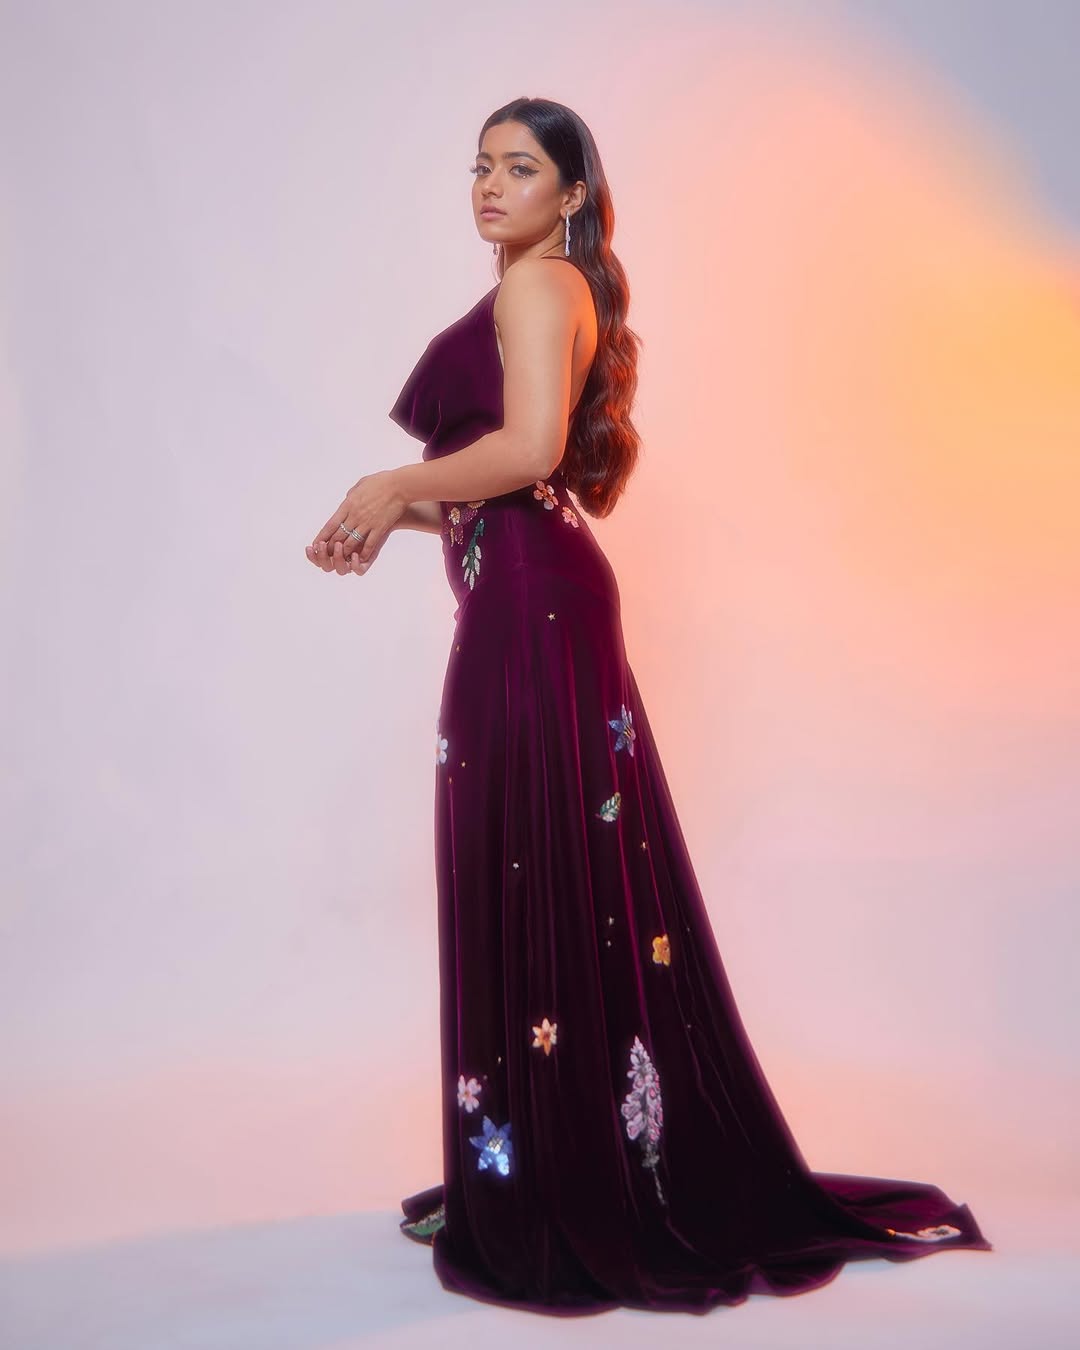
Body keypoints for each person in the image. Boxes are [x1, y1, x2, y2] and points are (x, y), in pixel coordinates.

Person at [305, 97, 992, 1315]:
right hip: (528, 591)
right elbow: (502, 493)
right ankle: (526, 1163)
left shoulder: (539, 285)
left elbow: (527, 452)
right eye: (479, 166)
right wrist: (385, 517)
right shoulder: (542, 287)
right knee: (528, 857)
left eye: (520, 167)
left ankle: (549, 1177)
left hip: (532, 607)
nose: (489, 185)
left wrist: (387, 479)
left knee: (529, 859)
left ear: (570, 194)